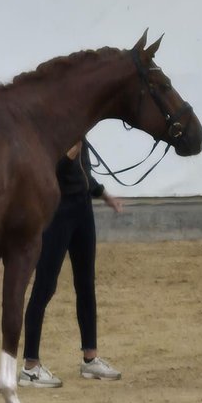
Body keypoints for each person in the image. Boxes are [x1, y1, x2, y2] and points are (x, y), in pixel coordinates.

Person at [19, 140, 125, 387]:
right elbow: (49, 171)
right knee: (44, 286)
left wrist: (104, 195)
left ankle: (90, 359)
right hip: (57, 212)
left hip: (81, 209)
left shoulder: (79, 125)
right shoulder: (51, 127)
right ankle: (30, 366)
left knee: (86, 284)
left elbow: (83, 173)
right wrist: (71, 151)